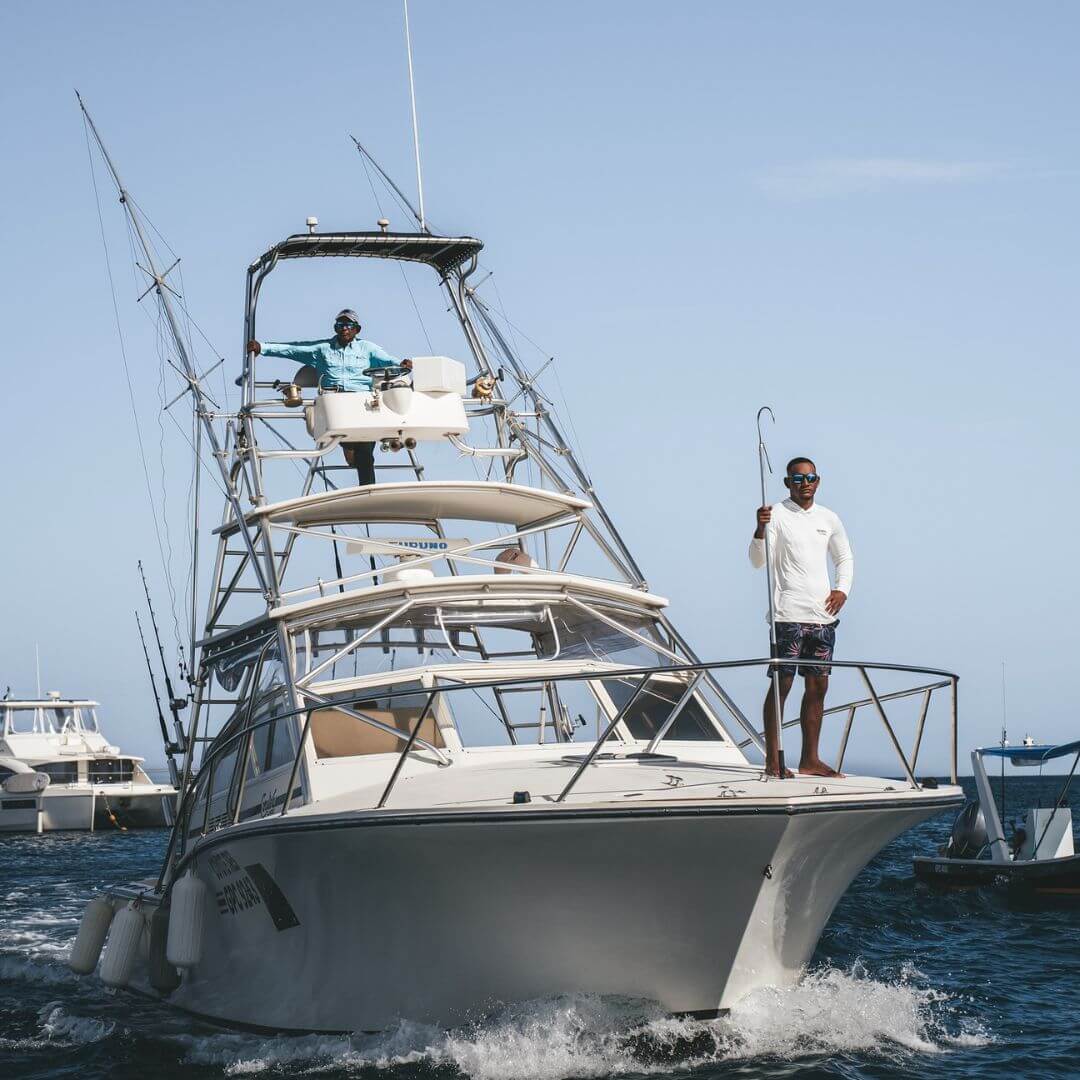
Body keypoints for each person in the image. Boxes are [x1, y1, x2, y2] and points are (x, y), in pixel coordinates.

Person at [749, 457, 854, 778]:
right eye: (797, 479)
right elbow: (757, 561)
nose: (804, 484)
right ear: (787, 483)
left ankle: (810, 760)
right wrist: (760, 528)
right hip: (788, 615)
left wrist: (842, 590)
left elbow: (844, 557)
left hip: (823, 616)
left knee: (818, 687)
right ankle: (773, 760)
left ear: (817, 481)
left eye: (810, 478)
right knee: (782, 685)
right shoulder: (775, 515)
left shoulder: (829, 518)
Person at [246, 310, 409, 486]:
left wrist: (403, 364)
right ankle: (358, 466)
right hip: (335, 402)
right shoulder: (323, 349)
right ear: (335, 328)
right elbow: (293, 349)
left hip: (362, 402)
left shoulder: (368, 348)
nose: (344, 328)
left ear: (357, 329)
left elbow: (389, 361)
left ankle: (367, 487)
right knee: (359, 448)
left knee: (364, 449)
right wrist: (262, 348)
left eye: (349, 325)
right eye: (340, 325)